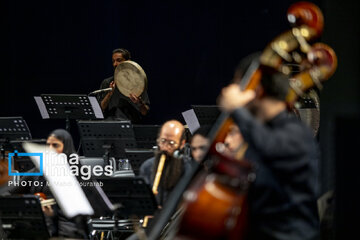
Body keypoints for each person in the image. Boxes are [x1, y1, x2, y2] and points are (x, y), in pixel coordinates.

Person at [218, 64, 320, 239]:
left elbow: (270, 147)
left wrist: (236, 110)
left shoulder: (296, 134)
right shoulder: (260, 136)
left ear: (256, 91)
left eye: (241, 87)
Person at [139, 120, 187, 206]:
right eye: (163, 141)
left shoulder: (189, 169)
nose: (165, 148)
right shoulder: (147, 166)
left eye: (171, 143)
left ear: (182, 144)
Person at [98, 48, 150, 123]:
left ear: (128, 62)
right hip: (109, 125)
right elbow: (100, 109)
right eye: (113, 61)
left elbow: (144, 112)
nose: (115, 64)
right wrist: (109, 94)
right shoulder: (107, 82)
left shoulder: (138, 83)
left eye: (119, 60)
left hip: (130, 126)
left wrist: (139, 103)